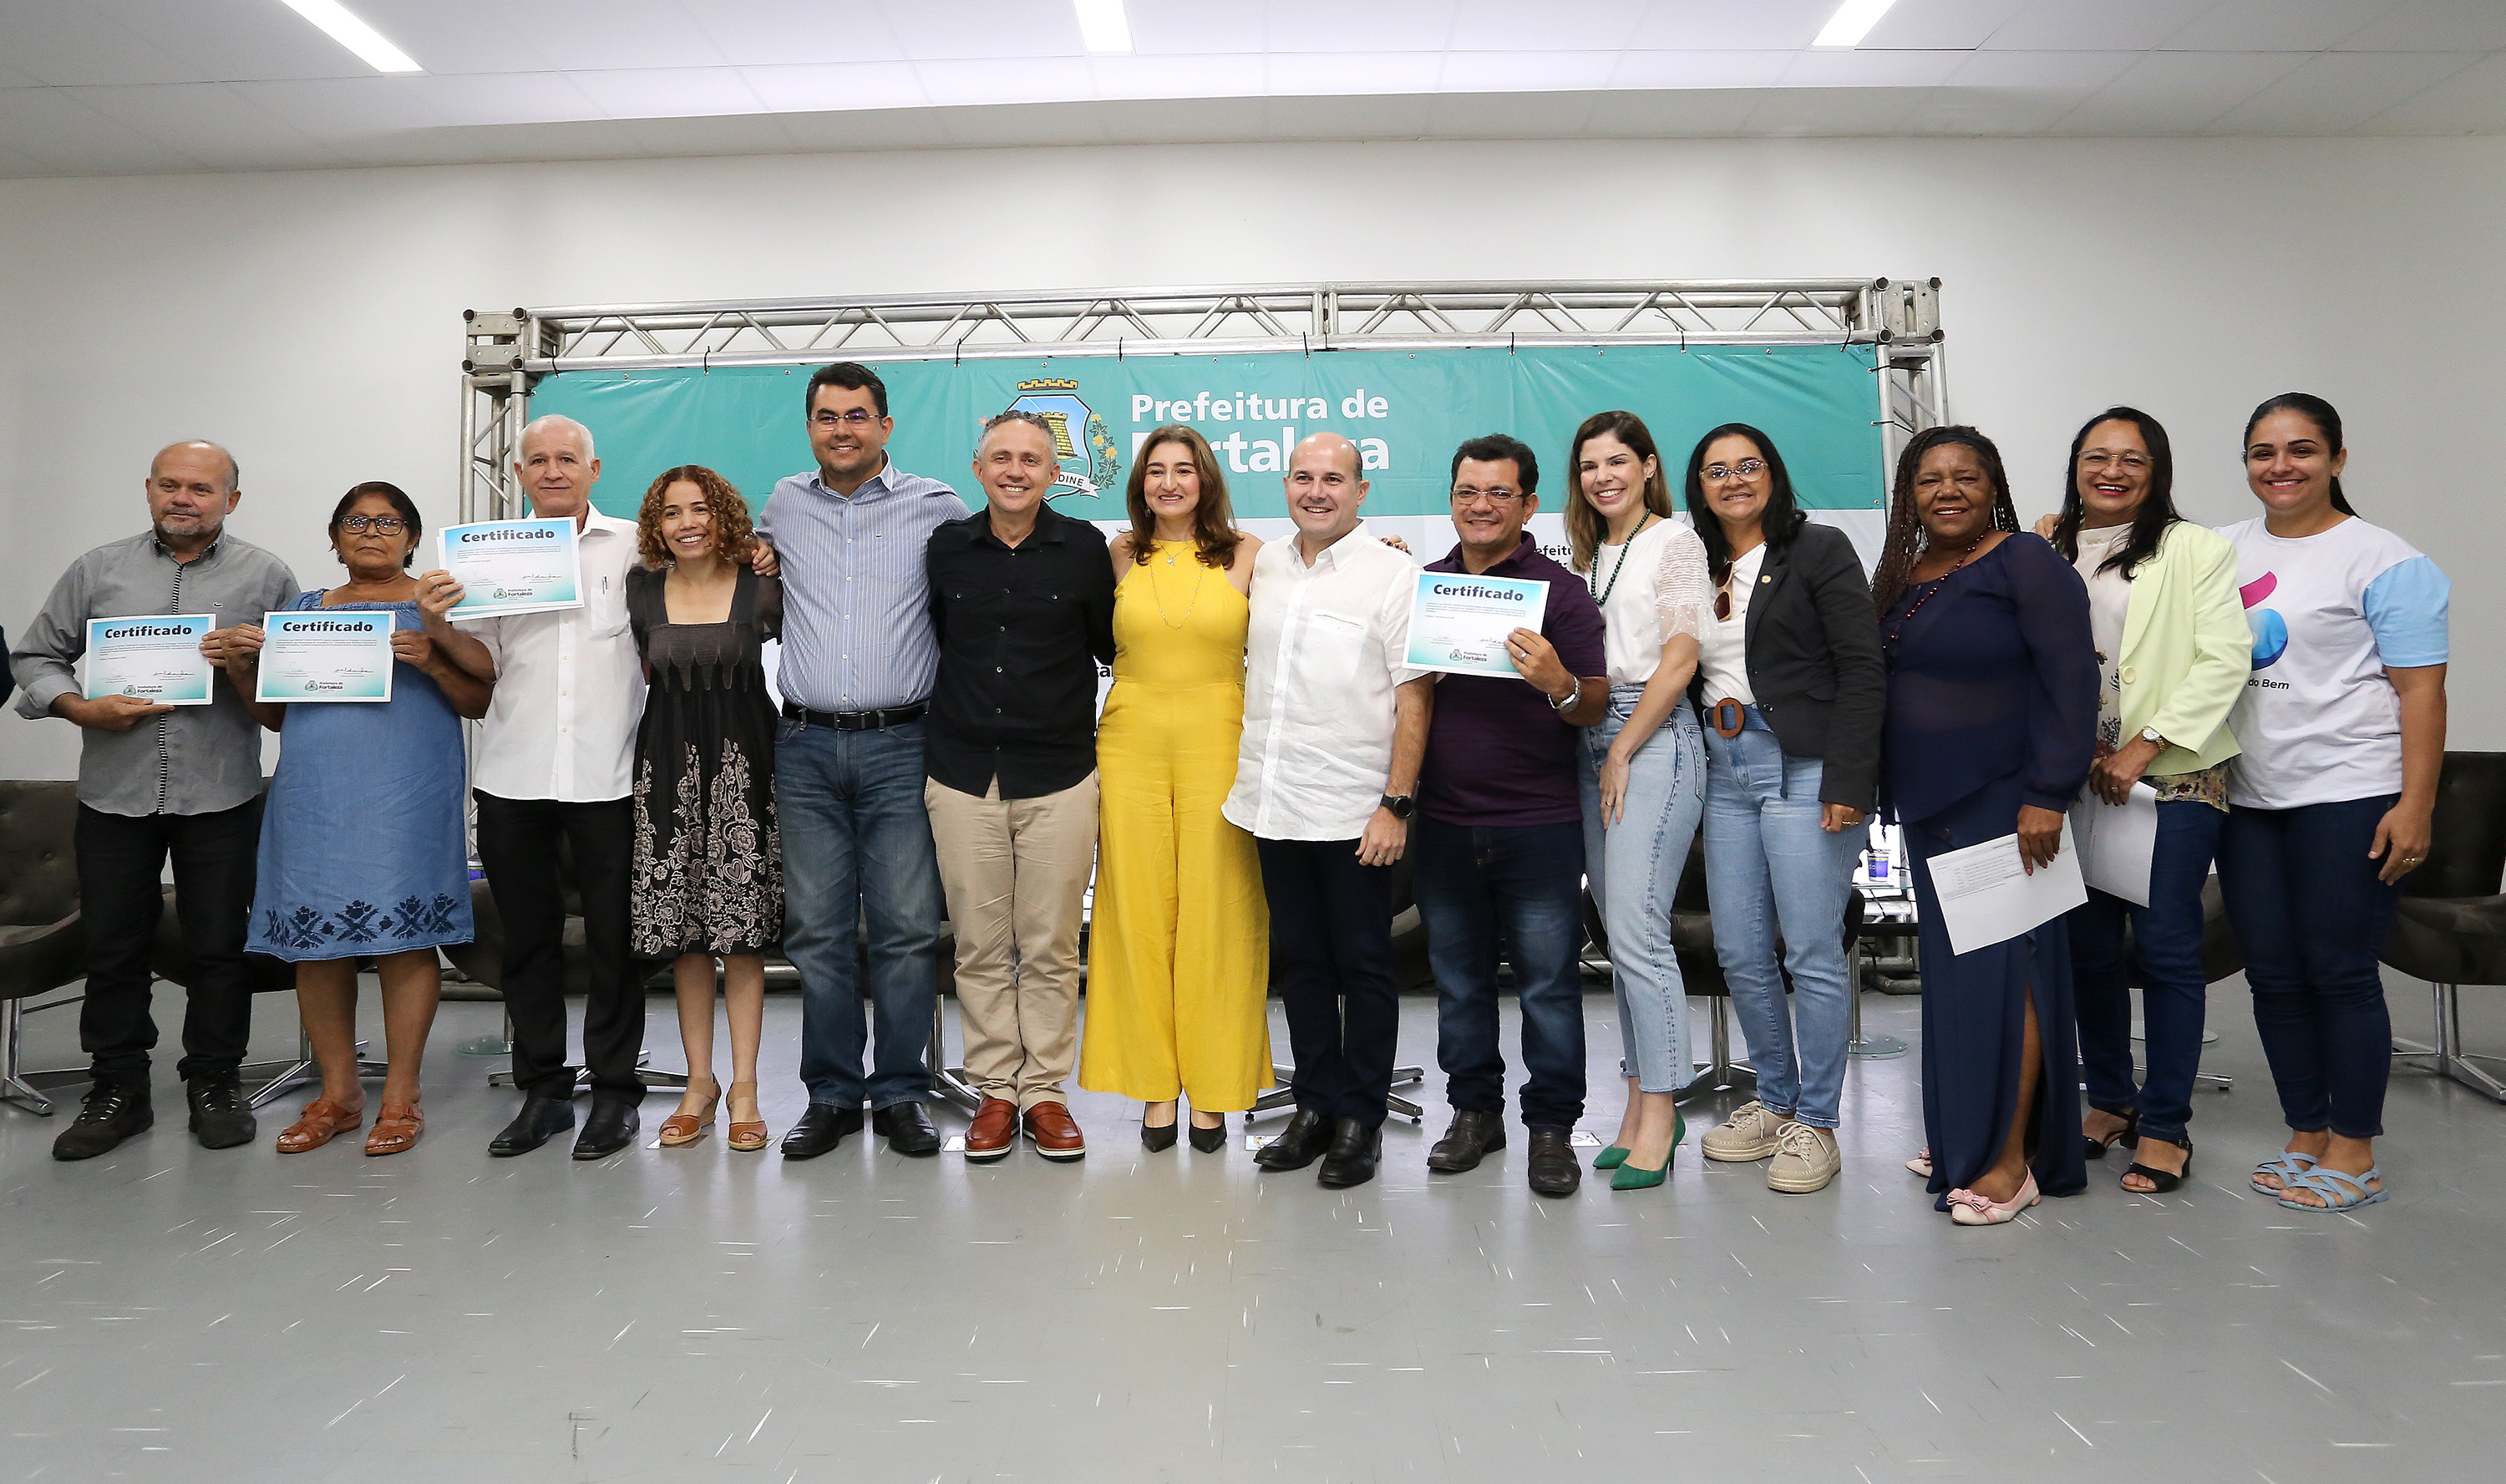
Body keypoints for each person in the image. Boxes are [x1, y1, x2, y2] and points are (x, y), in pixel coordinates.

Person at [12, 440, 298, 1160]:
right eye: (170, 485)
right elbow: (34, 657)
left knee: (218, 949)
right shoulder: (95, 569)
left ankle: (215, 1081)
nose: (184, 498)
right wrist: (80, 708)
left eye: (202, 488)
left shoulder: (267, 574)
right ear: (148, 490)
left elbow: (295, 682)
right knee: (112, 949)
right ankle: (118, 1091)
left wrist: (252, 659)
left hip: (222, 795)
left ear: (231, 499)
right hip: (115, 795)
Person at [2219, 393, 2446, 1213]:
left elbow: (2422, 694)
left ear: (2338, 459)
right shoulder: (2219, 550)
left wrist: (2414, 804)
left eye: (2301, 450)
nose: (2281, 466)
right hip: (2248, 799)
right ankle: (2306, 1130)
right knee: (2274, 975)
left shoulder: (2385, 560)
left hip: (2350, 793)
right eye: (2263, 451)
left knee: (2341, 971)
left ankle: (2356, 1147)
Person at [1873, 425, 2097, 1226]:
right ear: (1910, 494)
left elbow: (2074, 681)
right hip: (1933, 808)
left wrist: (2049, 792)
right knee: (1963, 982)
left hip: (2007, 803)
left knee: (2013, 979)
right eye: (1930, 479)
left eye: (1966, 476)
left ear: (1993, 483)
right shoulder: (1905, 572)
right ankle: (1966, 1131)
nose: (1949, 491)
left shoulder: (2026, 562)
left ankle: (2012, 1159)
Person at [228, 483, 487, 1156]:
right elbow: (279, 714)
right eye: (355, 520)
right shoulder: (302, 610)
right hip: (313, 796)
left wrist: (433, 653)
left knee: (406, 938)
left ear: (412, 535)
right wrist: (240, 671)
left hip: (407, 795)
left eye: (388, 521)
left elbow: (476, 698)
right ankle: (338, 1094)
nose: (371, 531)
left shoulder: (434, 605)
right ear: (335, 534)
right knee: (317, 944)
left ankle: (401, 1095)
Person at [2028, 408, 2248, 1195]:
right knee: (2088, 951)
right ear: (2076, 464)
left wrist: (2142, 744)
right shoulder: (2046, 545)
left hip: (2171, 776)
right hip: (2073, 778)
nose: (2112, 471)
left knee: (2165, 951)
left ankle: (2165, 1124)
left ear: (2157, 470)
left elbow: (2225, 660)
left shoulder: (2196, 548)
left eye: (2132, 458)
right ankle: (2111, 1099)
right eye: (2097, 456)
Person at [422, 413, 651, 1160]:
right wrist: (438, 622)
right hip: (514, 776)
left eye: (567, 459)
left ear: (593, 469)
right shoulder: (490, 557)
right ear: (518, 474)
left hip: (611, 776)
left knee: (617, 944)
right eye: (538, 461)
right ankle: (544, 1092)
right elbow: (481, 664)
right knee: (529, 944)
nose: (552, 471)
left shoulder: (636, 545)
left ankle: (616, 1095)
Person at [758, 362, 965, 1161]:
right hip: (805, 745)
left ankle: (903, 1092)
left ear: (885, 425)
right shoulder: (782, 505)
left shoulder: (935, 505)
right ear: (810, 426)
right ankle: (834, 1093)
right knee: (817, 932)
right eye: (825, 416)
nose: (840, 429)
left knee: (907, 931)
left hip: (902, 744)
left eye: (856, 415)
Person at [1682, 422, 1887, 1196]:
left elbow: (1864, 668)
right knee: (1739, 950)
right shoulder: (1693, 560)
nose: (1733, 480)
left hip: (1805, 765)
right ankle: (1773, 1099)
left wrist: (1848, 780)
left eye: (1748, 465)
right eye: (1715, 470)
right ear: (1698, 486)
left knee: (1809, 949)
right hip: (1725, 767)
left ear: (1773, 473)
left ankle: (1819, 1121)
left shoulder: (1819, 549)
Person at [1234, 433, 1434, 1190]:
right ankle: (1314, 1108)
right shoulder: (1266, 564)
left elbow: (1415, 698)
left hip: (1358, 812)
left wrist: (1396, 804)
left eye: (1334, 479)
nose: (1317, 491)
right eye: (1303, 478)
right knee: (1302, 966)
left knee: (1365, 966)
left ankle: (1361, 1120)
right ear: (1286, 484)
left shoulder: (1394, 574)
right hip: (1273, 802)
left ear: (1361, 489)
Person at [1415, 433, 1610, 1199]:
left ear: (1530, 504)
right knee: (1459, 984)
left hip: (1539, 823)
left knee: (1549, 986)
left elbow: (1589, 704)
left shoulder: (1560, 592)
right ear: (1453, 499)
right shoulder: (1426, 587)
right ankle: (1474, 1114)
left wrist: (1558, 679)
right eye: (1468, 491)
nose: (1481, 505)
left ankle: (1553, 1126)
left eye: (1499, 493)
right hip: (1443, 822)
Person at [923, 411, 1118, 1162]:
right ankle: (994, 1092)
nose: (1015, 470)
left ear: (1051, 472)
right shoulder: (946, 547)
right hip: (963, 772)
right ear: (979, 470)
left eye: (1030, 459)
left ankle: (1045, 1093)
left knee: (1048, 943)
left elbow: (1110, 643)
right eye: (1000, 457)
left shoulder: (1084, 550)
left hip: (1060, 774)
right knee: (977, 944)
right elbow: (937, 636)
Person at [1079, 425, 1269, 1152]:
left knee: (1220, 916)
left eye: (1183, 471)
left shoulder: (1250, 552)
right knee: (1136, 915)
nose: (1169, 483)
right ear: (1140, 483)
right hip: (1129, 743)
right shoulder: (1119, 552)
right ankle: (1157, 1088)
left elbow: (1315, 596)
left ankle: (1215, 1092)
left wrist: (1384, 556)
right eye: (1155, 471)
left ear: (1206, 480)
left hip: (1220, 741)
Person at [1560, 413, 1712, 1193]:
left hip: (1650, 735)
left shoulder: (1675, 542)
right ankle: (1634, 1107)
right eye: (1589, 465)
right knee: (1617, 938)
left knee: (1638, 932)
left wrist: (1621, 748)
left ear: (1650, 466)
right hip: (1590, 733)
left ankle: (1665, 1111)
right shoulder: (1591, 553)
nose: (1602, 476)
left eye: (1618, 461)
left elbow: (1681, 658)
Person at [626, 466, 784, 1153]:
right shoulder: (639, 591)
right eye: (670, 512)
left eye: (699, 509)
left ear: (722, 516)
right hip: (665, 776)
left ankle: (745, 1086)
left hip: (746, 774)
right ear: (655, 526)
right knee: (686, 940)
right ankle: (700, 1084)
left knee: (741, 940)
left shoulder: (762, 586)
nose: (686, 522)